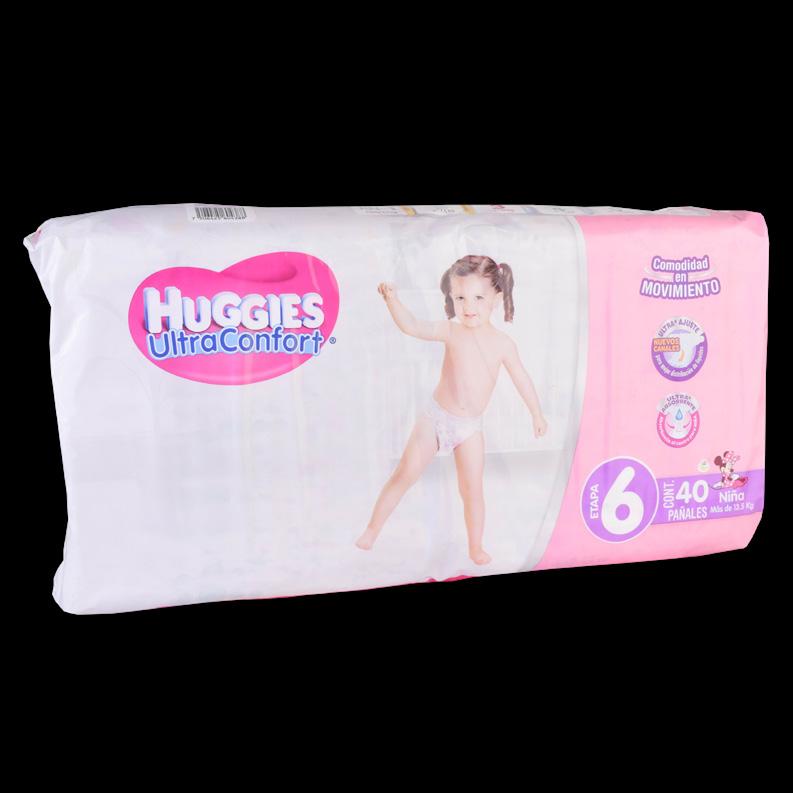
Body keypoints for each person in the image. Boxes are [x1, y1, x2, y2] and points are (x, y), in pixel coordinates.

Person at [355, 254, 548, 564]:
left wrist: (536, 413)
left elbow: (521, 378)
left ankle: (475, 547)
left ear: (497, 297)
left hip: (469, 428)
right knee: (405, 473)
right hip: (436, 418)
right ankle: (371, 530)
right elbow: (412, 326)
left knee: (472, 491)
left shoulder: (503, 344)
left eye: (478, 298)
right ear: (452, 297)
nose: (468, 306)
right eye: (460, 298)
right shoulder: (451, 331)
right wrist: (392, 300)